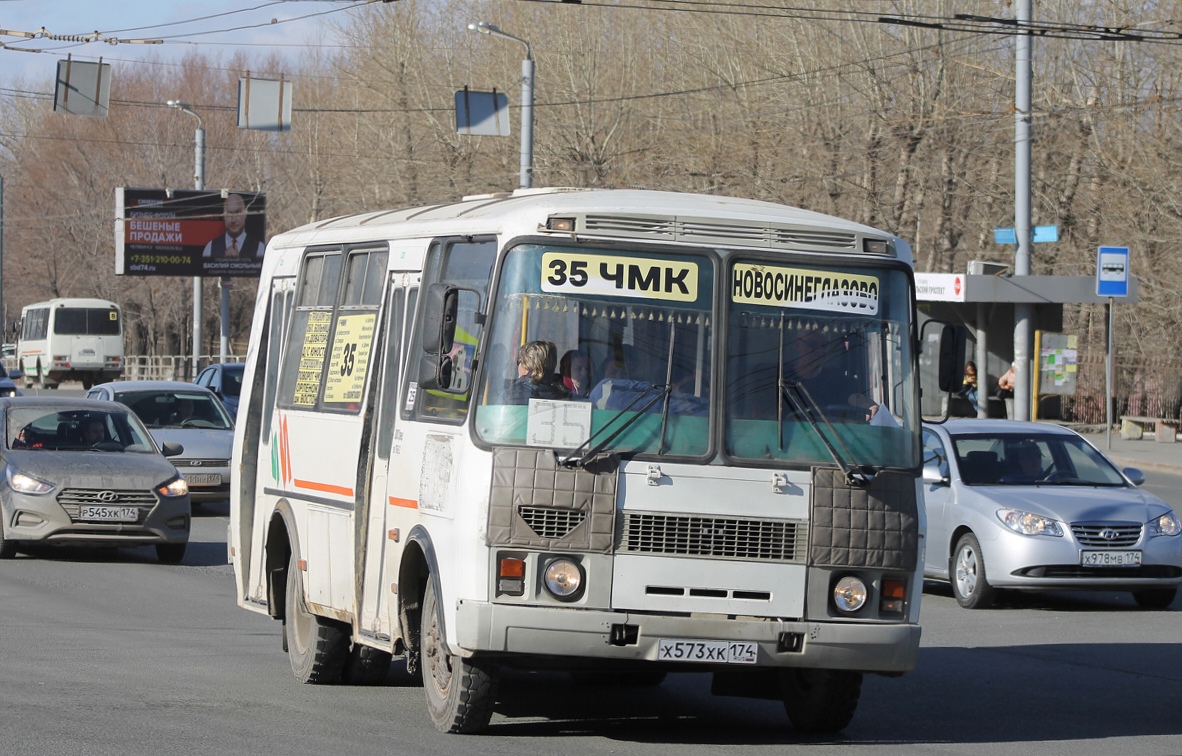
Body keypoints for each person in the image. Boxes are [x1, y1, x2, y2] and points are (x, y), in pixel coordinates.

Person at [202, 193, 265, 259]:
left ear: (245, 214)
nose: (233, 220)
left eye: (237, 213)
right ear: (223, 216)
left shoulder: (259, 249)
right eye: (229, 213)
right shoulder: (210, 248)